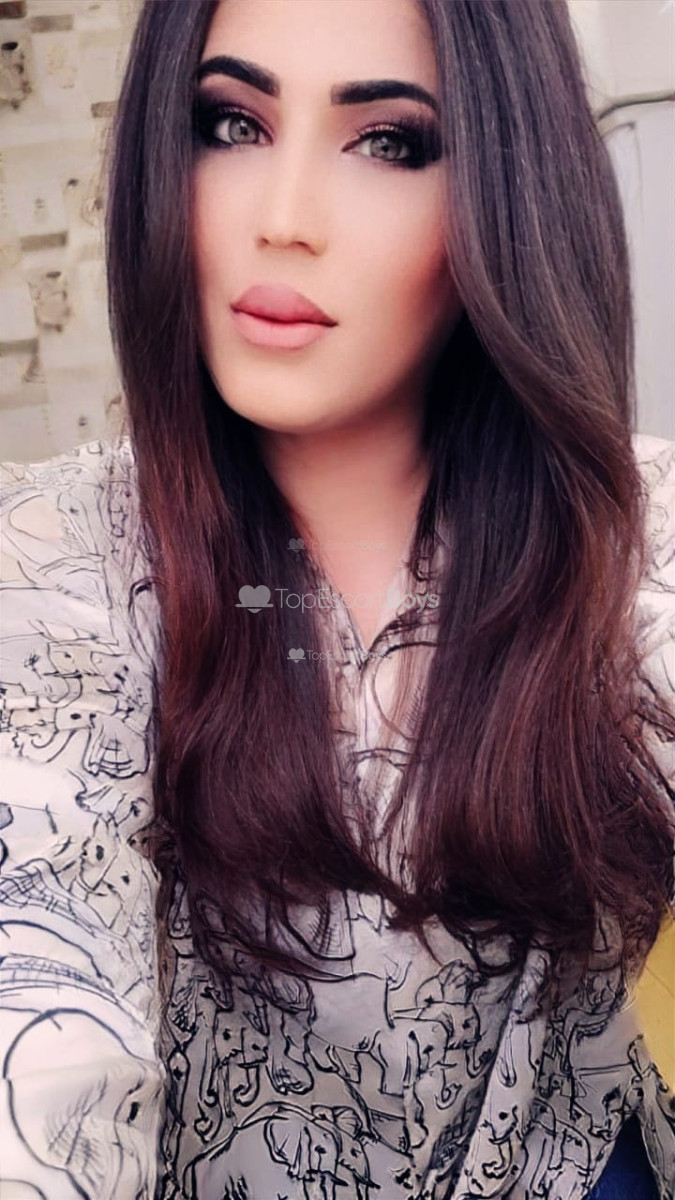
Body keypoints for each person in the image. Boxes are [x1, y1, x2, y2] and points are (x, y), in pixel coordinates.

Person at [0, 1, 673, 1198]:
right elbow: (41, 1031)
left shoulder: (632, 530)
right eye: (232, 123)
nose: (284, 218)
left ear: (507, 196)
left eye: (390, 142)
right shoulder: (56, 560)